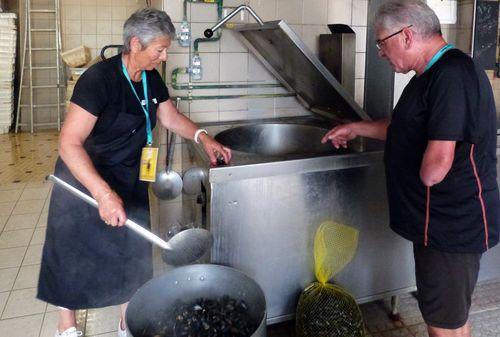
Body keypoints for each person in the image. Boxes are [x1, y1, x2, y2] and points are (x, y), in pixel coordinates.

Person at [37, 8, 231, 337]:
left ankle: (128, 322)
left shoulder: (150, 78)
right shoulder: (98, 80)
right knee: (72, 251)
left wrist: (203, 136)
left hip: (128, 177)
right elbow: (69, 143)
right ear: (135, 43)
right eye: (160, 49)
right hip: (87, 179)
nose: (165, 55)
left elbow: (169, 118)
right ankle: (67, 326)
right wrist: (102, 194)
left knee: (131, 252)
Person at [322, 1, 499, 336]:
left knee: (444, 324)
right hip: (438, 225)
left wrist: (412, 175)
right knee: (450, 315)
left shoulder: (451, 74)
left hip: (451, 227)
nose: (380, 52)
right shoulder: (428, 75)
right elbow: (405, 129)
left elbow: (437, 165)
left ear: (406, 35)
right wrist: (356, 128)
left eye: (381, 43)